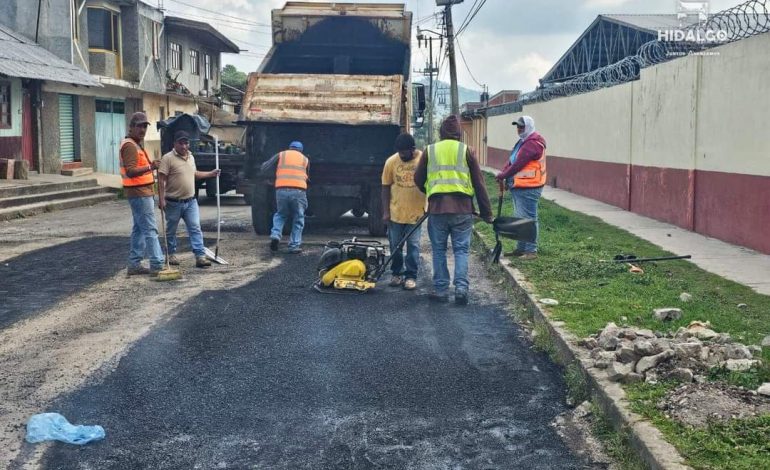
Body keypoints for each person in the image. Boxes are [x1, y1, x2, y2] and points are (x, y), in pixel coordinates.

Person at [415, 115, 493, 305]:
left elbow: (417, 178)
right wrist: (486, 213)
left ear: (441, 132)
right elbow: (479, 184)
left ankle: (441, 290)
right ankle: (461, 289)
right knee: (461, 250)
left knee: (439, 250)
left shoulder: (430, 151)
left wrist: (431, 192)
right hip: (462, 210)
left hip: (438, 210)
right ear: (459, 134)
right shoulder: (467, 151)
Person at [158, 130, 221, 268]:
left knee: (195, 228)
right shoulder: (167, 158)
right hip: (173, 202)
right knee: (171, 230)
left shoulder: (191, 157)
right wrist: (161, 198)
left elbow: (194, 174)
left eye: (186, 143)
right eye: (181, 143)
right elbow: (161, 179)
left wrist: (211, 174)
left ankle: (200, 256)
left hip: (190, 201)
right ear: (175, 144)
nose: (184, 146)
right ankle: (171, 254)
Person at [495, 116, 547, 260]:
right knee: (520, 218)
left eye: (522, 127)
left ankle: (531, 251)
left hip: (529, 186)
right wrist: (504, 174)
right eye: (517, 126)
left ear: (529, 127)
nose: (519, 129)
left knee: (528, 218)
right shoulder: (522, 142)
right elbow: (511, 161)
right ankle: (521, 249)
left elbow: (518, 164)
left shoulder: (533, 144)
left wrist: (503, 175)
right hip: (520, 186)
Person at [120, 112, 164, 276]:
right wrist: (150, 167)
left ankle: (134, 263)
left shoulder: (135, 144)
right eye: (139, 126)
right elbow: (131, 171)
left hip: (141, 191)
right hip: (138, 192)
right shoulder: (130, 146)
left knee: (139, 229)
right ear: (131, 127)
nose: (143, 129)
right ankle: (157, 263)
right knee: (150, 229)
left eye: (145, 126)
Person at [381, 133, 426, 291]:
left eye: (404, 153)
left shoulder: (423, 159)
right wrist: (386, 212)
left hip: (416, 214)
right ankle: (396, 273)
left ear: (412, 149)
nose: (401, 155)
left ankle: (411, 276)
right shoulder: (391, 162)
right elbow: (385, 187)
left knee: (413, 246)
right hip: (396, 213)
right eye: (399, 152)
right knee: (395, 247)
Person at [261, 141, 309, 254]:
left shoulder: (281, 154)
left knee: (281, 214)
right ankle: (294, 246)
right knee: (298, 218)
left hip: (281, 190)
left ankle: (275, 235)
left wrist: (272, 175)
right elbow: (307, 176)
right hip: (298, 191)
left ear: (290, 148)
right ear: (301, 150)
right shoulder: (305, 159)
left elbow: (264, 167)